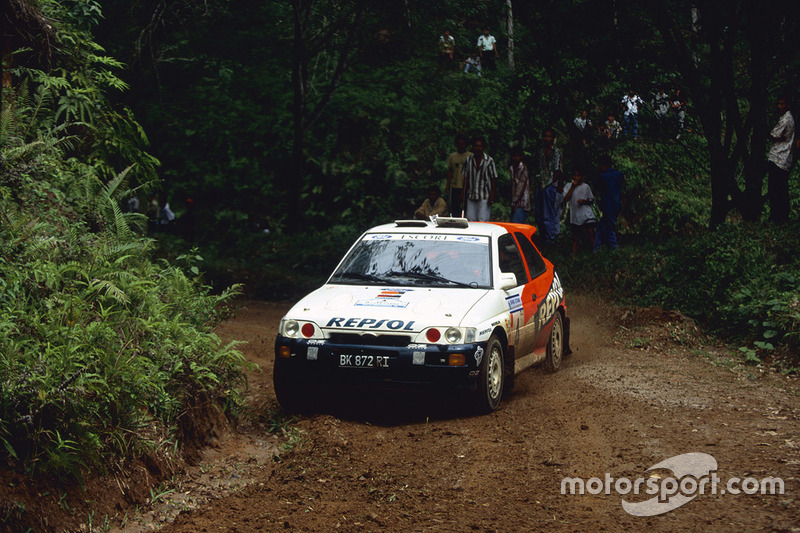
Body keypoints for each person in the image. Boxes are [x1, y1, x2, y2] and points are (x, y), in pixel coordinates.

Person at [767, 94, 795, 224]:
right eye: (778, 104)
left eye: (782, 104)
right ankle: (779, 218)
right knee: (779, 190)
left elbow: (773, 135)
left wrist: (774, 136)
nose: (779, 106)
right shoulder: (785, 118)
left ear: (787, 105)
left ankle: (778, 219)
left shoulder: (786, 119)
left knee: (776, 190)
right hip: (781, 159)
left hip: (779, 158)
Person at [562, 167, 596, 256]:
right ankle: (574, 252)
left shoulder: (586, 187)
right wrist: (573, 187)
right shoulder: (568, 186)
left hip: (586, 214)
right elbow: (565, 199)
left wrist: (584, 201)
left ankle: (595, 251)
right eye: (575, 175)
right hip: (576, 216)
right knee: (576, 236)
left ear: (582, 177)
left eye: (578, 176)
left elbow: (591, 200)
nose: (576, 177)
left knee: (591, 233)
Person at [462, 136, 497, 221]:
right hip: (471, 195)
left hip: (484, 196)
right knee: (470, 220)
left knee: (482, 220)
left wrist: (492, 195)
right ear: (473, 147)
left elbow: (494, 179)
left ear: (483, 147)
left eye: (480, 146)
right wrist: (463, 193)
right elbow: (465, 178)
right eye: (476, 146)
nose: (478, 148)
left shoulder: (489, 161)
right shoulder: (468, 160)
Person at [534, 128, 562, 231]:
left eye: (549, 136)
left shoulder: (556, 152)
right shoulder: (540, 151)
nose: (546, 138)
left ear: (553, 138)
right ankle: (542, 236)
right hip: (540, 184)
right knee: (538, 213)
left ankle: (550, 238)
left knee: (548, 213)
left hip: (550, 186)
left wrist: (555, 185)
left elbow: (558, 171)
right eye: (545, 136)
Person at [593, 154, 624, 251]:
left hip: (608, 204)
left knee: (609, 226)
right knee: (603, 225)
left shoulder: (603, 176)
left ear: (602, 165)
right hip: (617, 202)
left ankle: (613, 247)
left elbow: (597, 187)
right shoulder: (619, 174)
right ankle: (598, 246)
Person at [446, 133, 472, 217]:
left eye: (463, 144)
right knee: (454, 209)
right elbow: (450, 171)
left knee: (466, 209)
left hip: (467, 187)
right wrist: (447, 185)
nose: (461, 146)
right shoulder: (452, 156)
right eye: (459, 144)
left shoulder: (470, 156)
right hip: (454, 186)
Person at [541, 170, 565, 245]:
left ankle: (550, 238)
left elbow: (548, 214)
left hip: (554, 194)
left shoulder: (550, 190)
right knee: (555, 215)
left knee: (549, 214)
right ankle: (554, 235)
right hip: (558, 195)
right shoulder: (558, 189)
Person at [509, 145, 531, 223]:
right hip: (514, 203)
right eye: (514, 156)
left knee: (516, 225)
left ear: (521, 157)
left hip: (522, 203)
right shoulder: (511, 168)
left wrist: (514, 203)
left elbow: (521, 187)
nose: (515, 158)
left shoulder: (523, 168)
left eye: (517, 156)